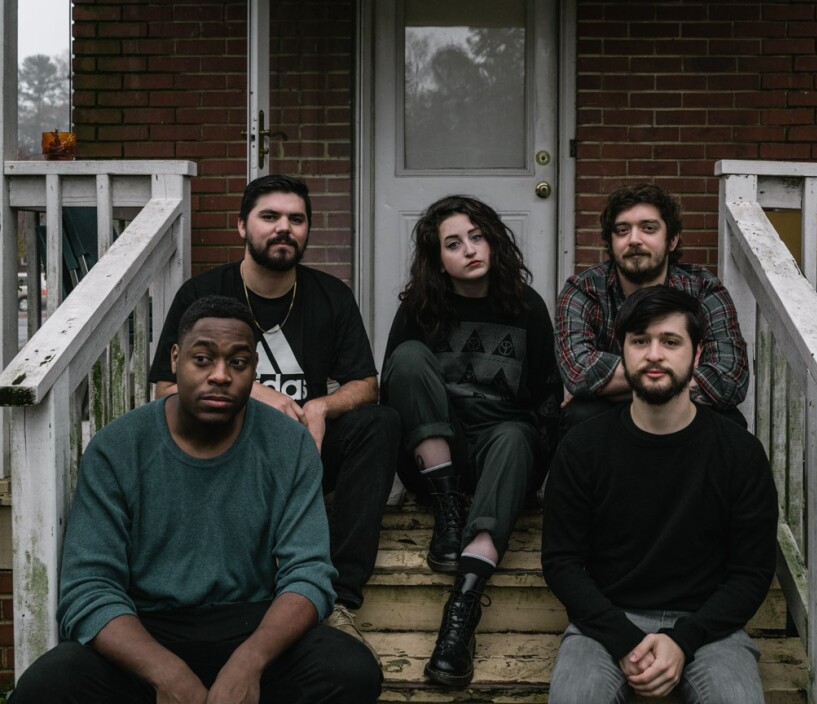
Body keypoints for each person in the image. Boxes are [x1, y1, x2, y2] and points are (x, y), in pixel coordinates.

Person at [9, 296, 381, 704]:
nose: (220, 375)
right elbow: (88, 588)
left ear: (254, 370)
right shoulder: (117, 448)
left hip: (250, 621)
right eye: (202, 359)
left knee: (349, 670)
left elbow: (308, 572)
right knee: (48, 686)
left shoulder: (289, 445)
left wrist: (248, 663)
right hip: (147, 627)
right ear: (175, 359)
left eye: (238, 363)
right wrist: (166, 673)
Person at [148, 175, 399, 656]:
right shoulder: (203, 293)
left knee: (380, 423)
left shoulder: (331, 294)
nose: (284, 228)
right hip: (231, 448)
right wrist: (258, 393)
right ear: (241, 226)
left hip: (308, 448)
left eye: (296, 219)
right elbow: (165, 385)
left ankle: (341, 595)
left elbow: (367, 383)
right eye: (270, 217)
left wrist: (322, 405)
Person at [542, 286, 778, 703]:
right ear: (623, 351)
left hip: (709, 626)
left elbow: (752, 573)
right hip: (603, 623)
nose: (654, 354)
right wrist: (622, 636)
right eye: (640, 341)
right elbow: (561, 562)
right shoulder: (582, 447)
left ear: (698, 353)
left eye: (670, 342)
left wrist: (684, 639)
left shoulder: (739, 452)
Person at [381, 195, 561, 687]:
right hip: (434, 450)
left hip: (501, 450)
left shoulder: (527, 307)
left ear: (494, 241)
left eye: (477, 237)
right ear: (438, 258)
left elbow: (547, 395)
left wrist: (534, 460)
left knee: (515, 434)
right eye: (453, 243)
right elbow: (396, 385)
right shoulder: (419, 308)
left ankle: (462, 607)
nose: (469, 250)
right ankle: (447, 513)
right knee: (411, 357)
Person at [554, 183, 749, 433]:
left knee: (730, 420)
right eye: (622, 230)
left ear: (672, 240)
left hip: (682, 420)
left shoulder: (703, 289)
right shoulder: (583, 290)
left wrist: (609, 386)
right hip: (613, 419)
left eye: (648, 228)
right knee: (579, 414)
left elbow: (730, 379)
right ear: (611, 243)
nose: (634, 240)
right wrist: (681, 374)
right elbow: (579, 372)